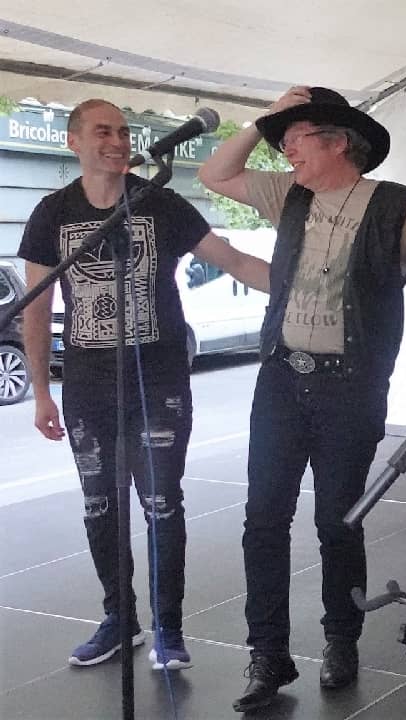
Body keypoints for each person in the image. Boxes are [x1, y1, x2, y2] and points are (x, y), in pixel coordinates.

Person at [197, 86, 406, 712]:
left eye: (298, 136)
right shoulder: (290, 194)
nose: (286, 150)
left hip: (350, 384)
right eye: (282, 140)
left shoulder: (398, 207)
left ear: (340, 141)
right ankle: (268, 654)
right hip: (281, 377)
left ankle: (342, 640)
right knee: (263, 518)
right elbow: (214, 172)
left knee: (338, 518)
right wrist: (263, 119)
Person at [19, 98, 269, 672]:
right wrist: (40, 391)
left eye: (124, 130)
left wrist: (299, 289)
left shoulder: (160, 202)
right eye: (103, 130)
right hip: (86, 382)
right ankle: (118, 619)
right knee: (100, 504)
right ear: (74, 142)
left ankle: (169, 629)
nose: (118, 139)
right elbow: (37, 308)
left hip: (158, 379)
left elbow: (229, 258)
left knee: (161, 504)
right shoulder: (52, 214)